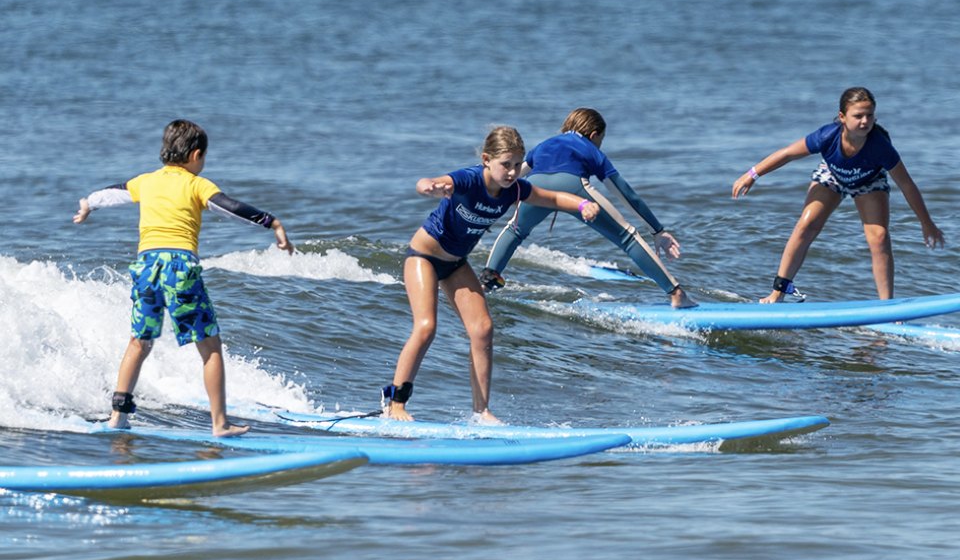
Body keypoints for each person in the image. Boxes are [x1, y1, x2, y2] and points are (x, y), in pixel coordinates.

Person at [73, 119, 295, 436]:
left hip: (146, 266)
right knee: (210, 347)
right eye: (203, 158)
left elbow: (110, 194)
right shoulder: (196, 184)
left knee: (139, 341)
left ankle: (117, 417)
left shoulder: (146, 181)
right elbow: (230, 207)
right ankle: (220, 423)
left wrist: (86, 206)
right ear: (195, 155)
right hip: (179, 267)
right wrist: (272, 223)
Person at [382, 126, 600, 423]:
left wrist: (583, 204)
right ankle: (395, 402)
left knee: (483, 329)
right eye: (505, 164)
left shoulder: (515, 190)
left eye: (516, 164)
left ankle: (481, 411)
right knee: (426, 326)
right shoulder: (469, 180)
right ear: (487, 159)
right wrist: (429, 188)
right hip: (423, 257)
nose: (511, 172)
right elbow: (429, 181)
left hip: (456, 263)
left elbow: (551, 198)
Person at [732, 87, 944, 303]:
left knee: (879, 237)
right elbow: (787, 154)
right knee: (806, 225)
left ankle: (886, 306)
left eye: (869, 115)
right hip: (832, 176)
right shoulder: (827, 136)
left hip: (869, 181)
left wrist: (926, 223)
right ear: (842, 117)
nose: (864, 121)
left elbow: (907, 185)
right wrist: (752, 174)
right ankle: (778, 293)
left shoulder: (881, 147)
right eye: (858, 116)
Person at [483, 108, 696, 308]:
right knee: (627, 238)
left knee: (515, 230)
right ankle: (676, 294)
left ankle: (487, 281)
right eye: (600, 141)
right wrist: (657, 231)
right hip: (575, 188)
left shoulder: (545, 144)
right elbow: (625, 193)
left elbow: (512, 177)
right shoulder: (589, 149)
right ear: (594, 135)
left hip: (537, 187)